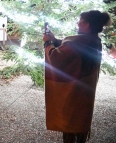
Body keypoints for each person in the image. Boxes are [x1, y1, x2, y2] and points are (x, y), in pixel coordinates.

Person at [43, 10, 111, 143]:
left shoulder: (78, 43)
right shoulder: (94, 40)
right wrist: (55, 40)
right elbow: (71, 50)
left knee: (71, 122)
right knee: (80, 123)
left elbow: (56, 57)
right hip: (85, 91)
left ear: (87, 25)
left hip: (74, 93)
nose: (77, 23)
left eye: (80, 21)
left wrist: (47, 43)